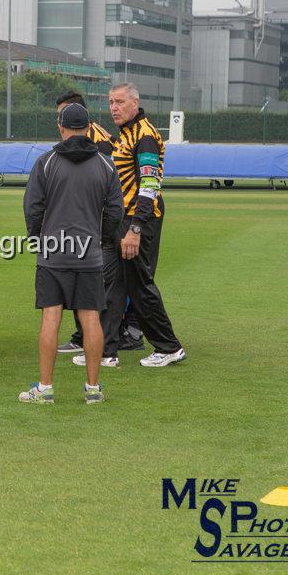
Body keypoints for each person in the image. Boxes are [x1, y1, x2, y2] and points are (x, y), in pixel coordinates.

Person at [19, 102, 123, 405]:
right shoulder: (105, 163)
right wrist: (102, 239)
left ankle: (45, 387)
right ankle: (93, 389)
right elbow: (115, 211)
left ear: (61, 126)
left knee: (50, 318)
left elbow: (32, 206)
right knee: (91, 319)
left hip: (54, 253)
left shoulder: (47, 162)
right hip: (89, 253)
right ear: (89, 128)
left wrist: (38, 238)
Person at [101, 82, 186, 368]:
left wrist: (135, 228)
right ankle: (106, 350)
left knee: (139, 285)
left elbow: (150, 184)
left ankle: (169, 346)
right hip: (120, 218)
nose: (114, 107)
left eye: (120, 102)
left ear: (135, 104)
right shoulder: (124, 134)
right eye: (111, 102)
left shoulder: (145, 135)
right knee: (113, 284)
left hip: (140, 219)